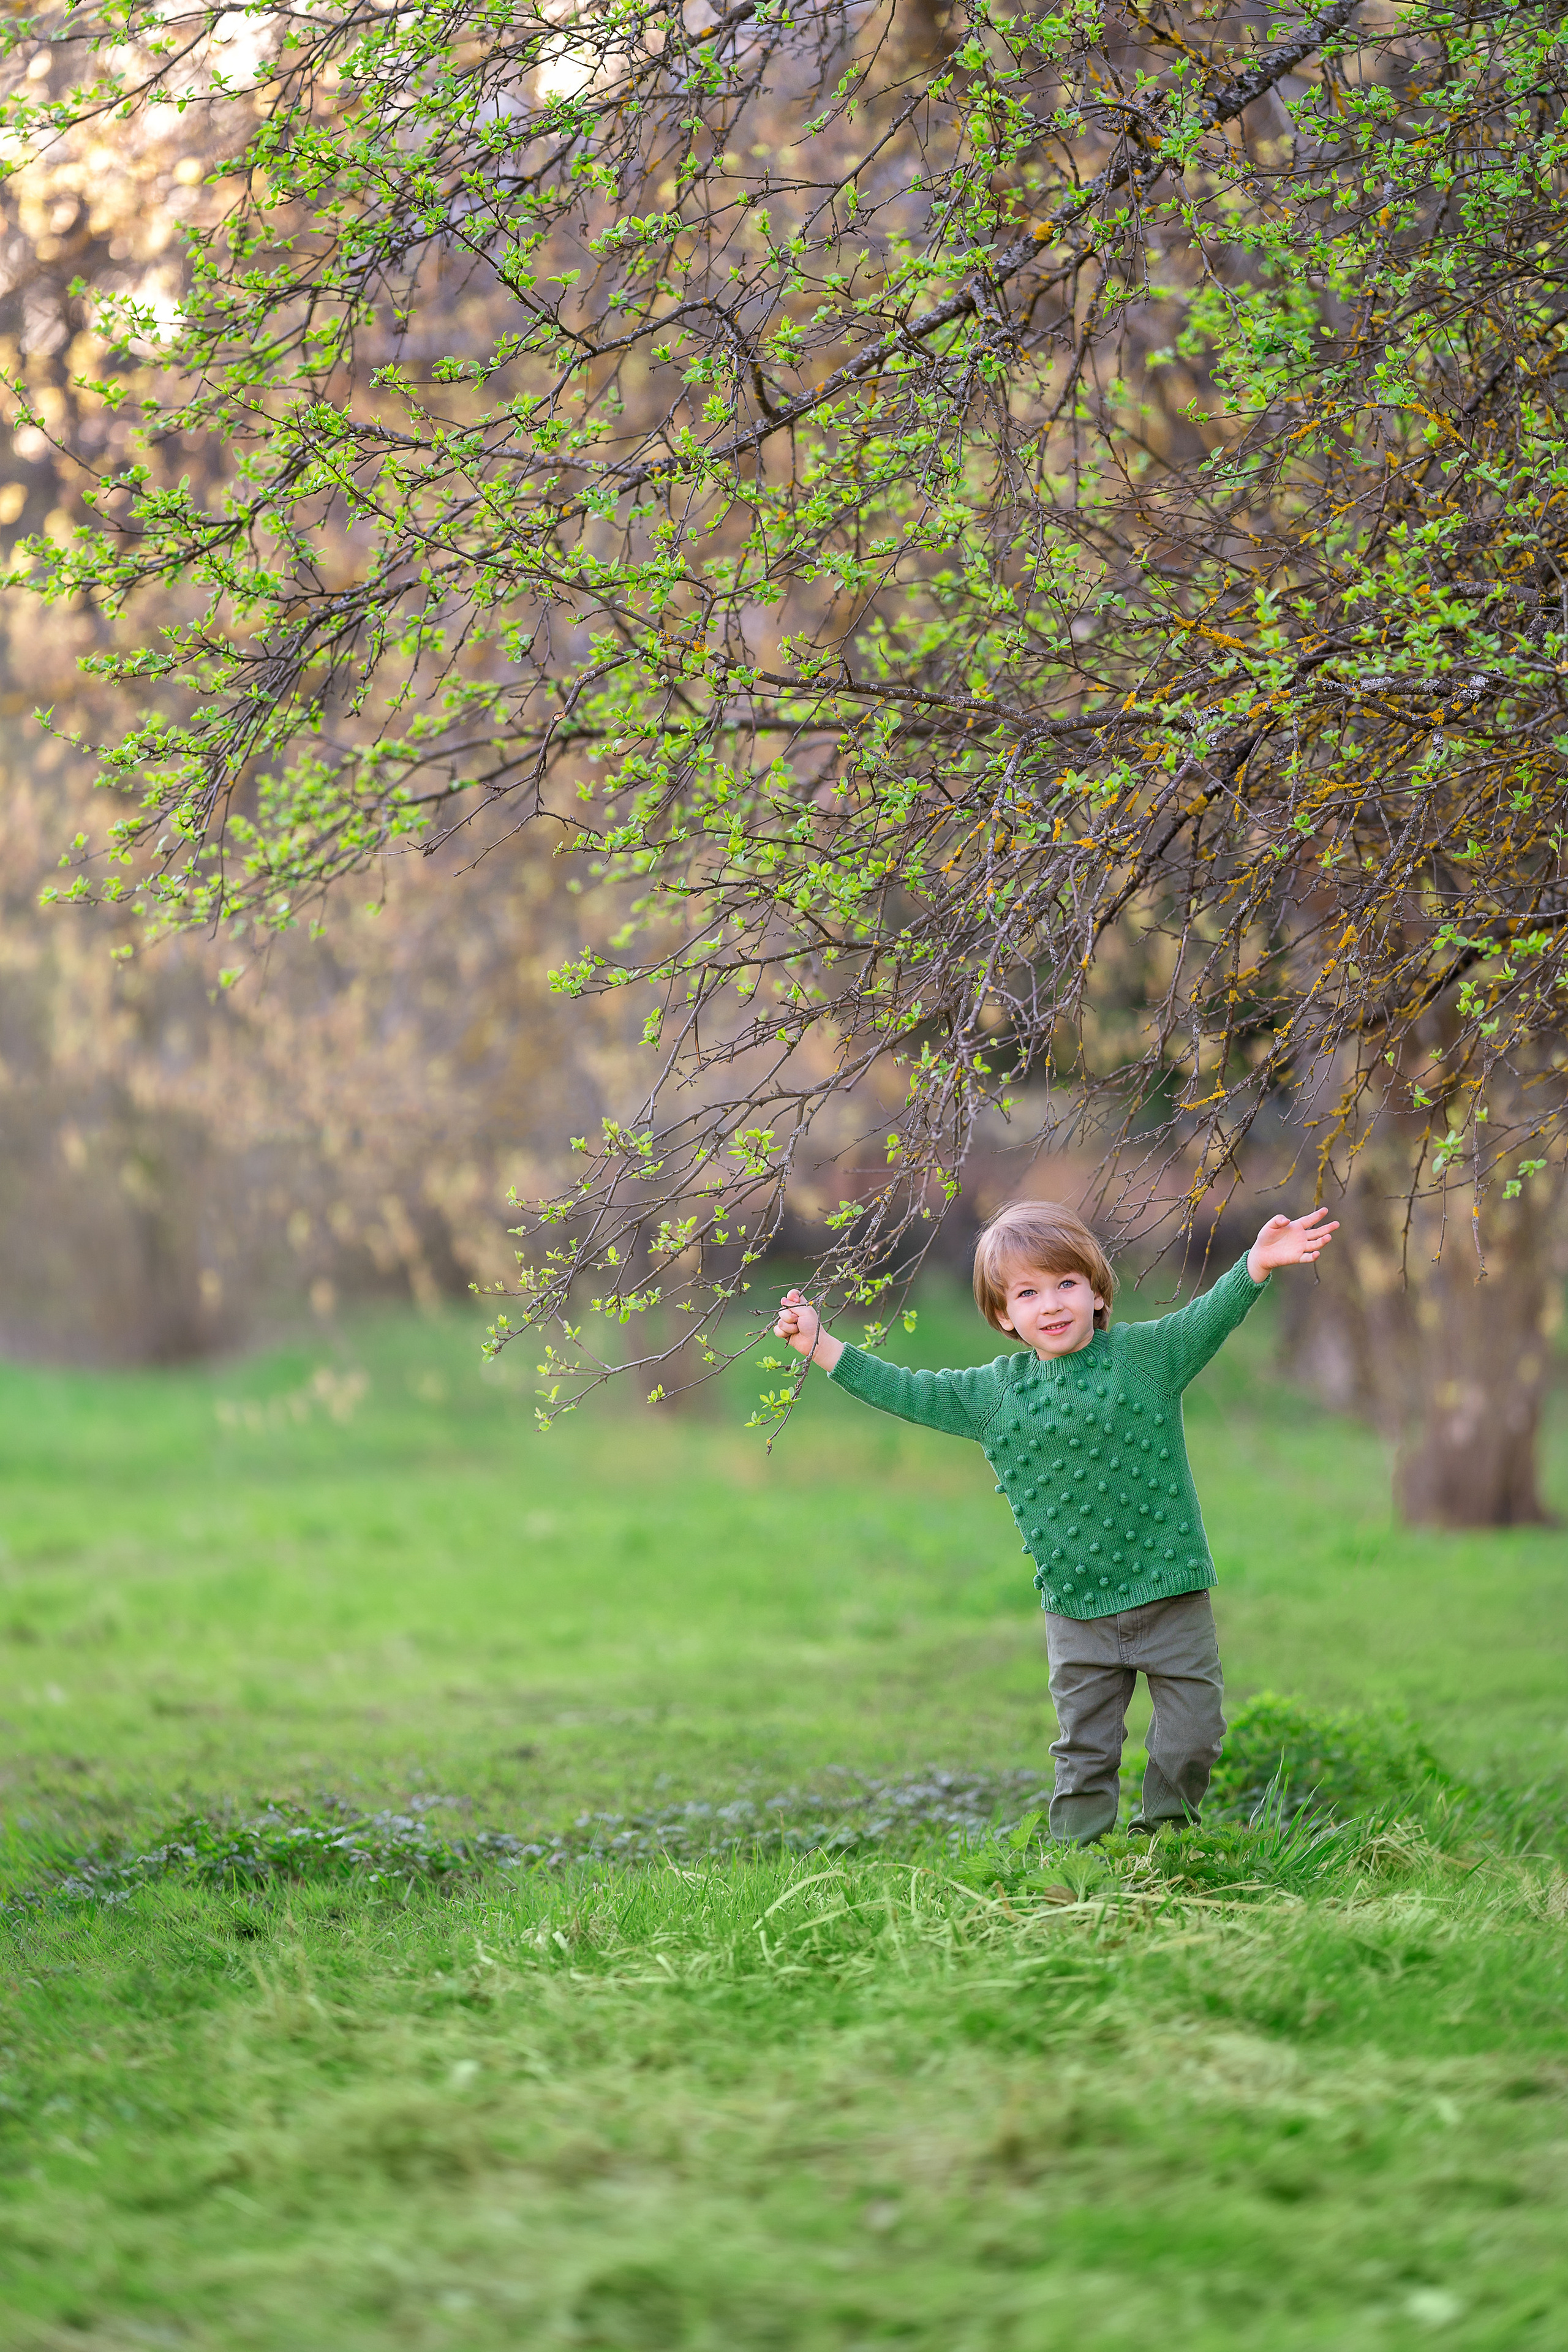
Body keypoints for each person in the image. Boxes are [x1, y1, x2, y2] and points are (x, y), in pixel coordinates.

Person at [774, 1200, 1338, 1844]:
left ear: (1098, 1294)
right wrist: (819, 1345)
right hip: (1076, 1611)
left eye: (1066, 1284)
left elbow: (1205, 1319)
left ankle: (1167, 1843)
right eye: (1027, 1293)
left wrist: (1255, 1265)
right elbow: (906, 1389)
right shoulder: (992, 1394)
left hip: (1171, 1595)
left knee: (1192, 1739)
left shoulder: (1147, 1358)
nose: (1051, 1305)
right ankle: (1076, 1866)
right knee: (1085, 1754)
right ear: (1001, 1315)